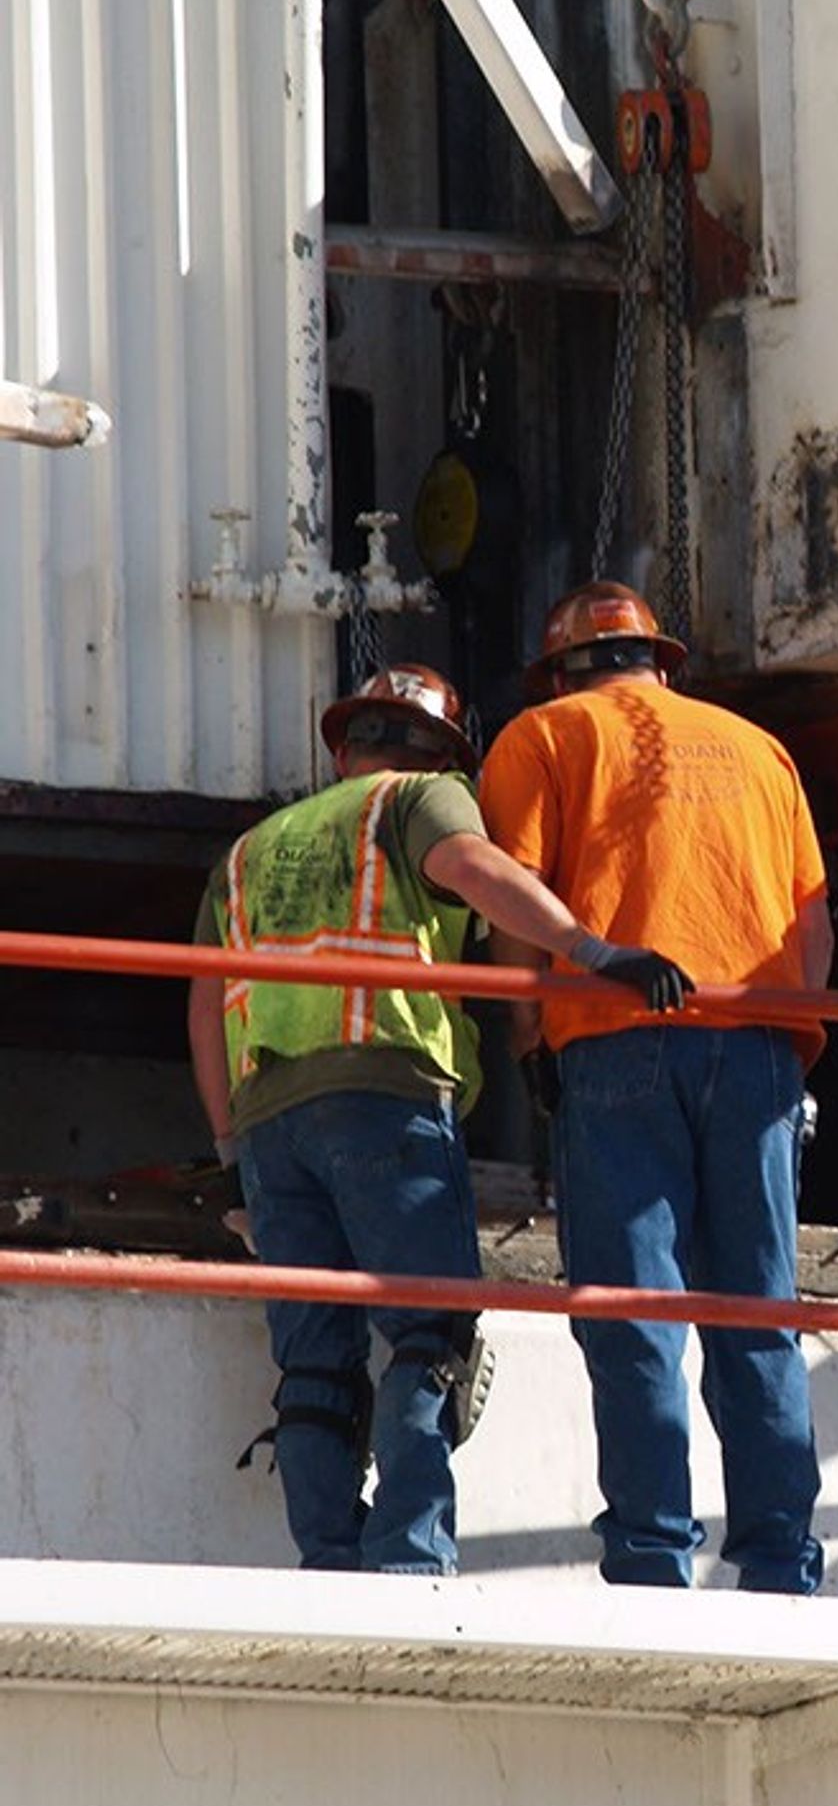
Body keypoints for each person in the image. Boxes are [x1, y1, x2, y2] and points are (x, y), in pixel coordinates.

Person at [188, 663, 694, 1578]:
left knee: (314, 1359)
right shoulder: (419, 800)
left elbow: (202, 1004)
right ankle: (410, 1558)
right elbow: (472, 868)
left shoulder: (246, 850)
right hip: (384, 1096)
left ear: (344, 747)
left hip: (270, 1124)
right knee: (431, 1336)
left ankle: (329, 1559)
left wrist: (232, 1157)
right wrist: (589, 950)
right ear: (447, 757)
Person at [478, 584, 832, 1595]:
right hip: (760, 1042)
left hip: (616, 1039)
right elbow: (813, 931)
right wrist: (787, 1053)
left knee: (635, 1310)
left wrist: (530, 1041)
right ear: (661, 665)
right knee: (759, 1312)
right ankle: (778, 1561)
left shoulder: (542, 737)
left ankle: (649, 1557)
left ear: (565, 673)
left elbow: (521, 908)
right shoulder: (760, 751)